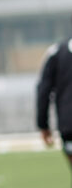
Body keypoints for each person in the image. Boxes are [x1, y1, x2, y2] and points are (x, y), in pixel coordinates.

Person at [36, 24, 72, 178]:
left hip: (68, 125)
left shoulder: (56, 52)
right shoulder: (55, 52)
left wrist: (43, 125)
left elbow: (43, 91)